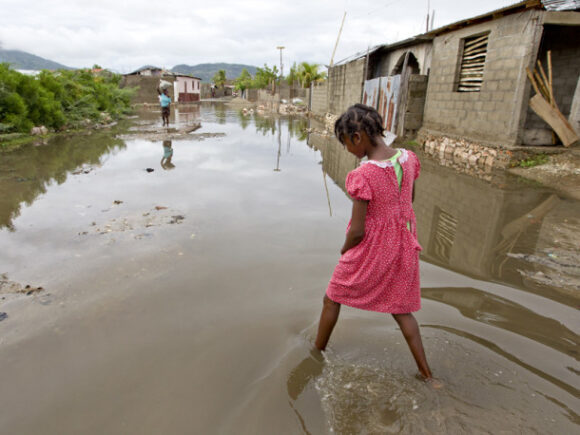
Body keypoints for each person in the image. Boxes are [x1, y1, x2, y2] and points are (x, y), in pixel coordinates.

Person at [314, 104, 438, 385]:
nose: (347, 150)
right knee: (402, 309)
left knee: (332, 296)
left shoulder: (364, 174)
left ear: (357, 137)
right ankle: (428, 374)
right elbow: (409, 201)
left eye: (345, 143)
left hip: (371, 248)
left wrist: (346, 249)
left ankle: (315, 351)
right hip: (404, 244)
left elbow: (357, 231)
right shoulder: (408, 158)